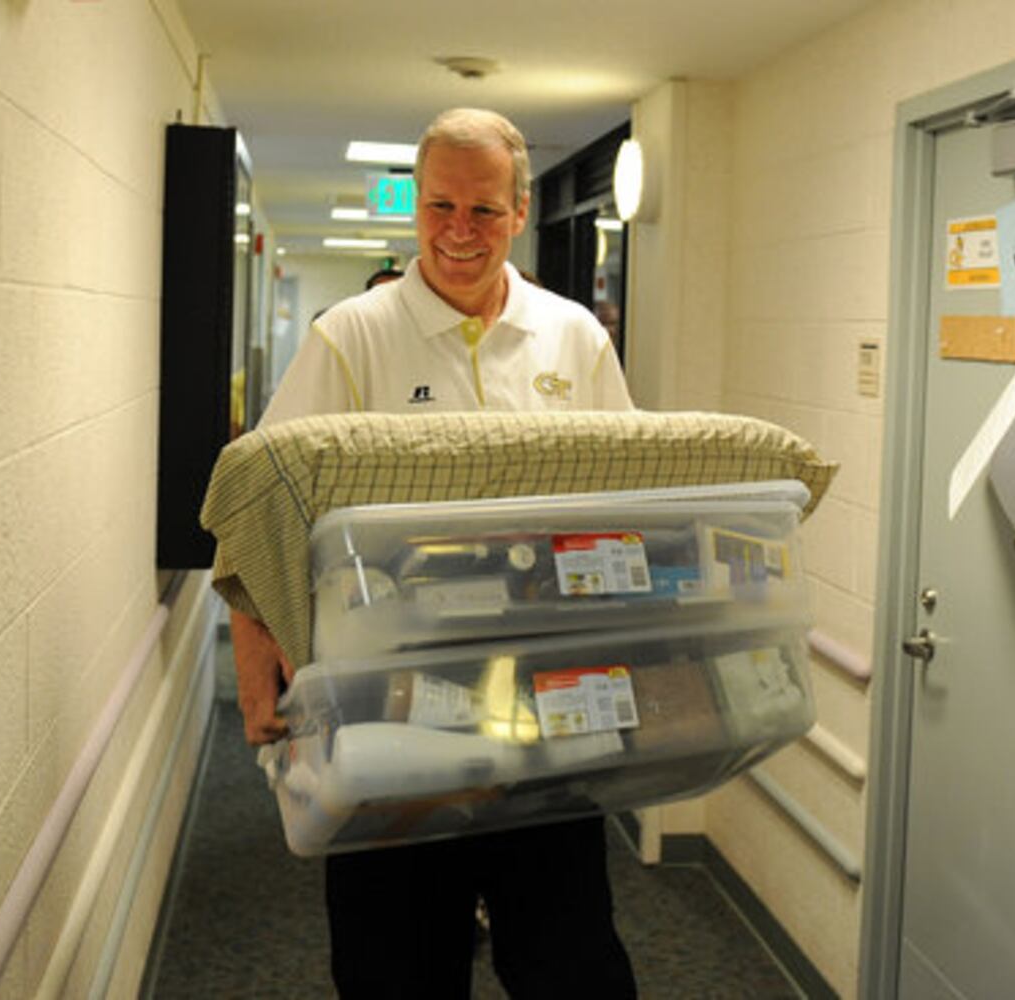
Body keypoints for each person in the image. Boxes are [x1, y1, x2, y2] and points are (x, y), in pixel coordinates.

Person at [231, 107, 637, 998]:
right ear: (415, 207)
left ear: (521, 213)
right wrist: (252, 644)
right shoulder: (354, 334)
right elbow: (262, 497)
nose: (460, 231)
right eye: (440, 206)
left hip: (542, 702)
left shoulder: (575, 337)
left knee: (572, 963)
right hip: (389, 708)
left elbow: (627, 501)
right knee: (398, 969)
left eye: (484, 210)